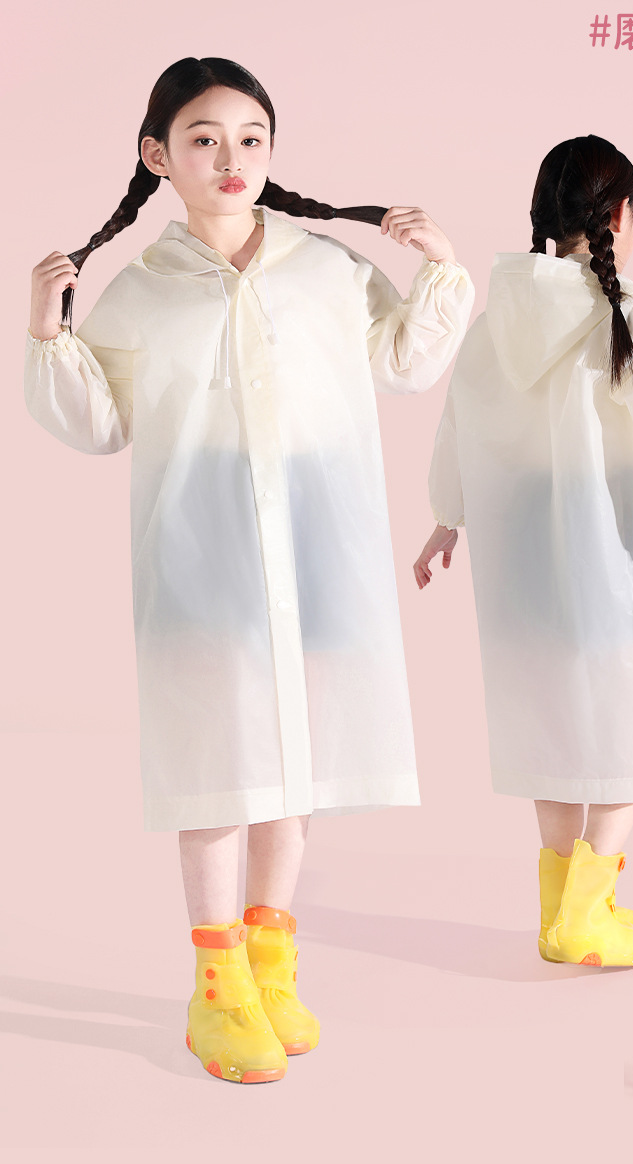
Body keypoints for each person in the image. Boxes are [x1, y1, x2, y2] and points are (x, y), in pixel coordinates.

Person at [24, 56, 474, 1083]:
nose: (231, 158)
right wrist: (49, 333)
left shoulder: (327, 268)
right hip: (203, 561)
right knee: (216, 769)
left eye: (251, 138)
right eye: (204, 139)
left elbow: (403, 363)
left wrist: (441, 271)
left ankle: (271, 964)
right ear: (158, 156)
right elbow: (100, 425)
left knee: (294, 765)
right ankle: (217, 988)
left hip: (318, 550)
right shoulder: (140, 293)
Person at [414, 134, 633, 969]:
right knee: (632, 725)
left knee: (553, 726)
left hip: (523, 567)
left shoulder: (495, 323)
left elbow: (459, 424)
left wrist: (447, 518)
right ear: (621, 217)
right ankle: (587, 911)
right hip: (618, 555)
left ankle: (558, 914)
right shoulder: (624, 314)